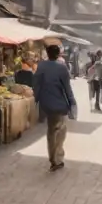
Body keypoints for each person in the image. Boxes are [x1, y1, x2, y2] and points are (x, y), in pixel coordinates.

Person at [32, 43, 77, 173]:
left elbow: (36, 84)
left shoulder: (41, 66)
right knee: (59, 131)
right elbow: (67, 88)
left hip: (46, 104)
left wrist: (37, 100)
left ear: (47, 52)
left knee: (52, 131)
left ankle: (55, 157)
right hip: (59, 104)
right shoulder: (62, 67)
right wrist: (72, 102)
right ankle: (55, 159)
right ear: (58, 54)